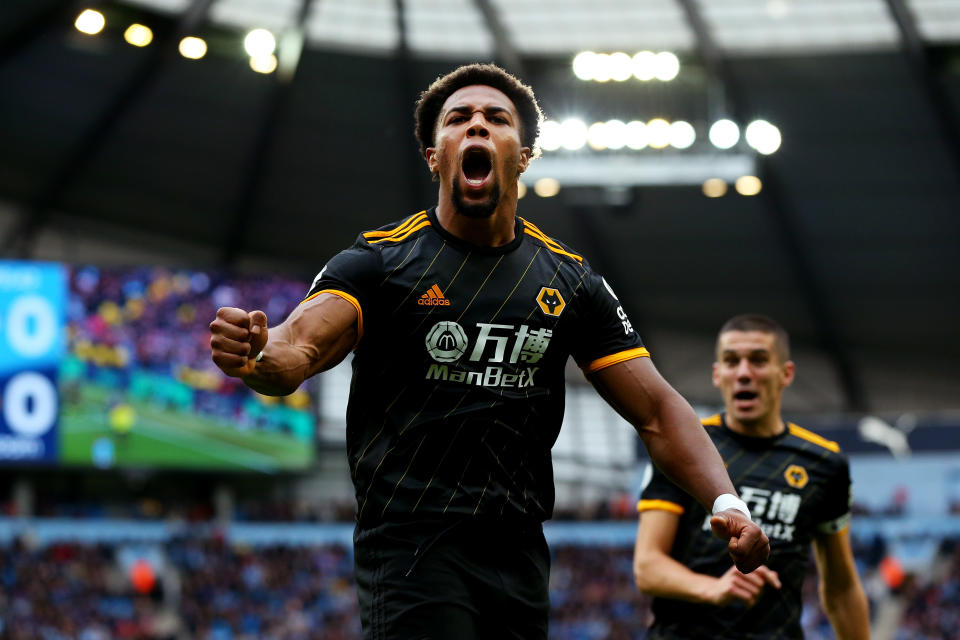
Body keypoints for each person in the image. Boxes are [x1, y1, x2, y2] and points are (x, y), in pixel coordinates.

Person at [209, 63, 769, 639]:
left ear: (522, 154)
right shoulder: (379, 262)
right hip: (412, 544)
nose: (477, 126)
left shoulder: (571, 281)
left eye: (496, 119)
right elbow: (298, 347)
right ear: (435, 154)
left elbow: (656, 410)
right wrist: (257, 353)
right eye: (459, 119)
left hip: (520, 548)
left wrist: (727, 501)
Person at [633, 314, 870, 639]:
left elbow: (841, 587)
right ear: (718, 375)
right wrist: (714, 588)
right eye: (731, 362)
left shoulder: (825, 462)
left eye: (758, 360)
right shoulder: (681, 446)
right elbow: (647, 566)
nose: (744, 373)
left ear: (785, 373)